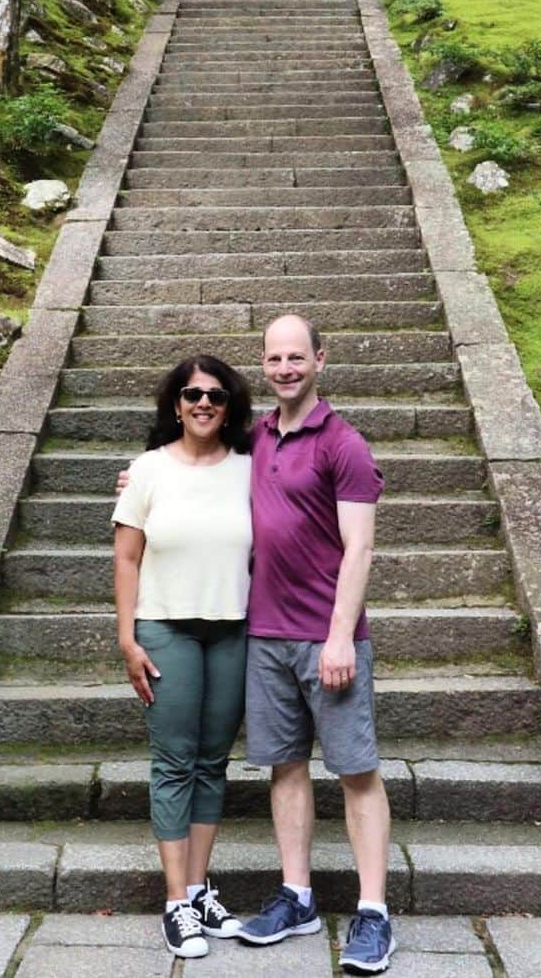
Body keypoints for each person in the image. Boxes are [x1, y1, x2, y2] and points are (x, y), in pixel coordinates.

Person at [236, 313, 394, 975]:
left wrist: (338, 640)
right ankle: (296, 896)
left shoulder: (344, 444)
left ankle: (375, 913)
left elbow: (360, 546)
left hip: (327, 637)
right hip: (265, 635)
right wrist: (140, 482)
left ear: (320, 360)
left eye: (296, 357)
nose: (284, 369)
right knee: (286, 768)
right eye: (274, 358)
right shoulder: (257, 437)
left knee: (356, 771)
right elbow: (192, 466)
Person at [112, 353, 254, 960]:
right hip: (166, 627)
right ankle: (176, 902)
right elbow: (126, 558)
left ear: (230, 408)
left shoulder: (251, 469)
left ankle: (199, 889)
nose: (204, 403)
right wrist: (126, 638)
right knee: (174, 762)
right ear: (176, 404)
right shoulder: (147, 470)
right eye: (193, 394)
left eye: (217, 396)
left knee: (212, 762)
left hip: (232, 630)